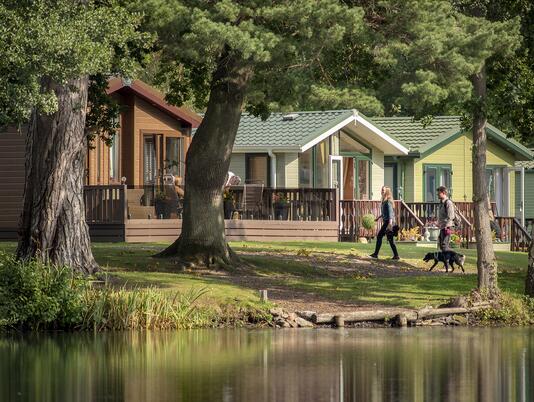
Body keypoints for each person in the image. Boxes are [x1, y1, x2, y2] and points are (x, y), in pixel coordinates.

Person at [370, 186, 400, 260]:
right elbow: (385, 212)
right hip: (388, 222)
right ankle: (396, 256)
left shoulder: (388, 201)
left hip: (389, 222)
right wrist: (378, 218)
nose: (382, 191)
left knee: (380, 236)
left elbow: (390, 213)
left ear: (387, 192)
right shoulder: (384, 201)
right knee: (390, 239)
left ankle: (375, 254)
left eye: (383, 190)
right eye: (381, 190)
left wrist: (390, 225)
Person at [437, 186, 455, 251]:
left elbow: (451, 216)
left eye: (439, 193)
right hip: (442, 227)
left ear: (443, 193)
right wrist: (438, 223)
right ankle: (447, 259)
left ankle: (457, 257)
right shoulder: (441, 203)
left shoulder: (448, 203)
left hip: (447, 227)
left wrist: (446, 227)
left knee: (445, 245)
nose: (437, 195)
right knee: (442, 245)